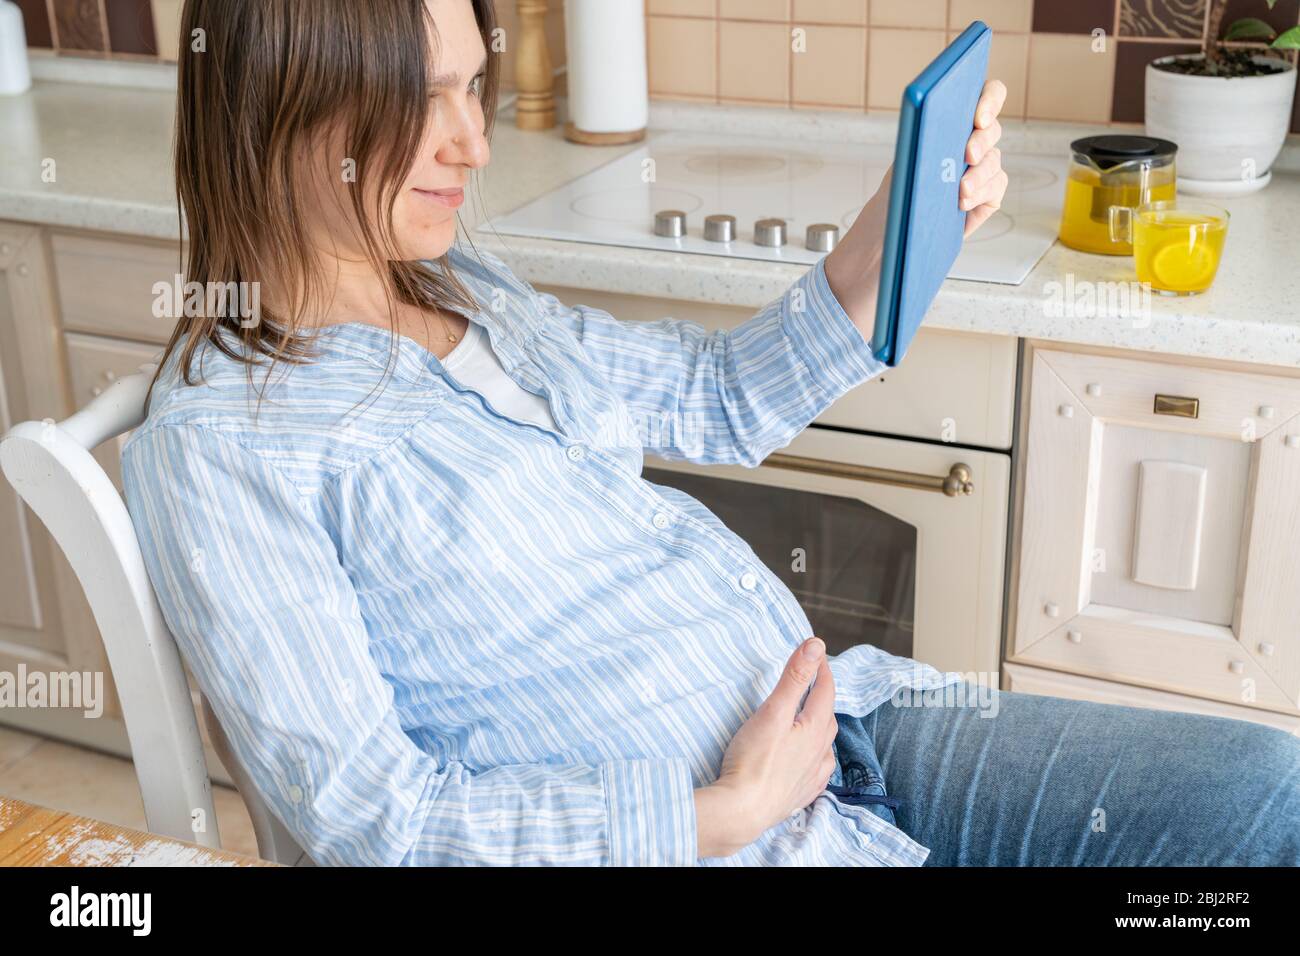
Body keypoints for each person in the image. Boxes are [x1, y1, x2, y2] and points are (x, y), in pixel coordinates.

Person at [123, 0, 1300, 866]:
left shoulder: (462, 285)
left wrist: (885, 238)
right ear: (274, 105)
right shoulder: (221, 446)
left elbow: (716, 393)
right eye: (415, 100)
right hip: (729, 834)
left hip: (849, 720)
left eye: (471, 85)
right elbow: (369, 815)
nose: (471, 143)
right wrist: (718, 814)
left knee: (1264, 794)